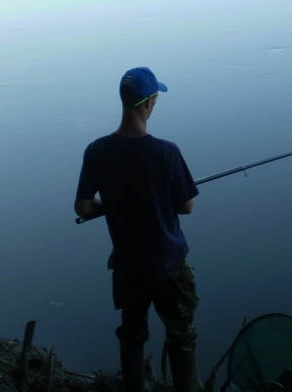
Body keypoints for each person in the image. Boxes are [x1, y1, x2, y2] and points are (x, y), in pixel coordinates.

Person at [75, 66, 200, 392]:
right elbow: (187, 206)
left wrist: (113, 205)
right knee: (181, 334)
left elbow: (84, 207)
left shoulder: (97, 151)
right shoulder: (166, 152)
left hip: (128, 265)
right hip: (168, 264)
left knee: (132, 332)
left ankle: (133, 387)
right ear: (148, 104)